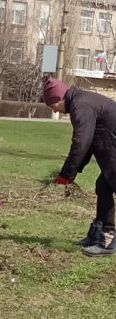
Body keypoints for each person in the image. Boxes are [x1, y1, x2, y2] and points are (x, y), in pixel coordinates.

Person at [42, 78, 116, 256]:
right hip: (111, 147)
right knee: (103, 186)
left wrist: (66, 174)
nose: (55, 110)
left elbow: (81, 143)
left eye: (53, 105)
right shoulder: (81, 101)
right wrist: (71, 173)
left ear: (59, 98)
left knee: (108, 184)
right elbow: (88, 143)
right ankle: (101, 233)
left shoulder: (80, 105)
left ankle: (108, 238)